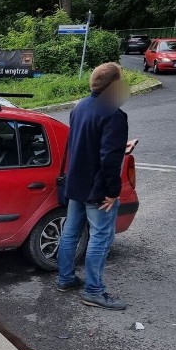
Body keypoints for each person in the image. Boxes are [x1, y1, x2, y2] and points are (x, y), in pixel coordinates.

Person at [57, 62, 129, 310]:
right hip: (97, 188)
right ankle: (94, 291)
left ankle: (65, 278)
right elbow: (109, 158)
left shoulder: (80, 108)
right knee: (100, 237)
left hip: (76, 183)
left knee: (70, 232)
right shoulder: (114, 115)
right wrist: (112, 192)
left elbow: (83, 142)